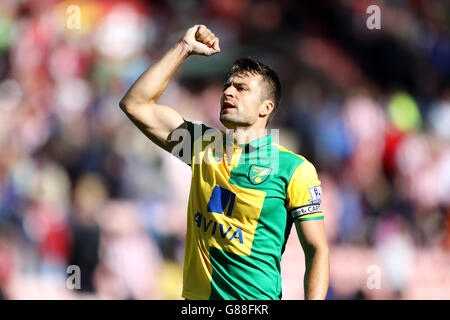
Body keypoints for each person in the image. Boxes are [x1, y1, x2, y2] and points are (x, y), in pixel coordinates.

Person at [119, 25, 329, 300]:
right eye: (227, 86)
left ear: (266, 107)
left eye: (241, 88)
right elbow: (136, 104)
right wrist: (184, 48)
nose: (228, 92)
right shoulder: (201, 145)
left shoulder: (294, 169)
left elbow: (317, 250)